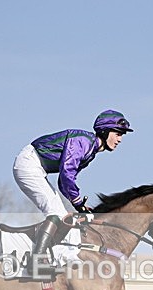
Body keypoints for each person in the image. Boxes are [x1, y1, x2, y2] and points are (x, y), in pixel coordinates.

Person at [12, 110, 133, 277]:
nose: (120, 139)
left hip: (37, 168)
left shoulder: (90, 152)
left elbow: (63, 182)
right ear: (105, 131)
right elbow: (66, 174)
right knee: (56, 214)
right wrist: (77, 201)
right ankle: (35, 262)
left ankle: (50, 256)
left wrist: (79, 204)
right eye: (118, 133)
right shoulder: (83, 142)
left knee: (62, 216)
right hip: (29, 164)